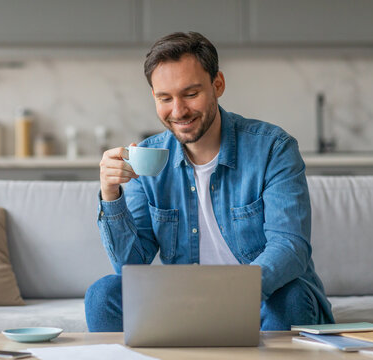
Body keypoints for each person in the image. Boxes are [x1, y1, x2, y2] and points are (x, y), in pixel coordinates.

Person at [85, 31, 334, 332]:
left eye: (190, 94)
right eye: (165, 98)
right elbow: (130, 266)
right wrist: (111, 195)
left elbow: (290, 246)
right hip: (185, 301)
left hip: (260, 299)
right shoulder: (146, 160)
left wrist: (228, 296)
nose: (178, 111)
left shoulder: (273, 148)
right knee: (103, 295)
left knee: (290, 298)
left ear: (218, 85)